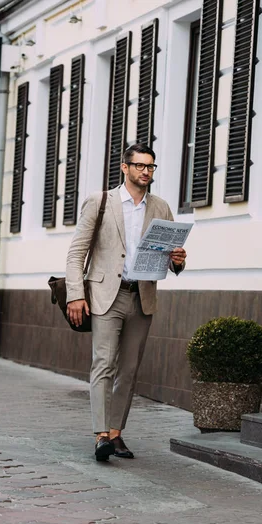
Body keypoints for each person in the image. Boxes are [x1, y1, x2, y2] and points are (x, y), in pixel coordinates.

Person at [66, 143, 187, 461]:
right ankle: (101, 435)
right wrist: (75, 294)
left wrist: (178, 259)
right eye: (140, 165)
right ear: (125, 167)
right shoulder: (101, 201)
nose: (146, 171)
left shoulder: (160, 208)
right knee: (103, 364)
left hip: (141, 297)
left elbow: (172, 261)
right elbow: (77, 251)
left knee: (129, 369)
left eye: (151, 166)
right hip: (106, 295)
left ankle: (116, 433)